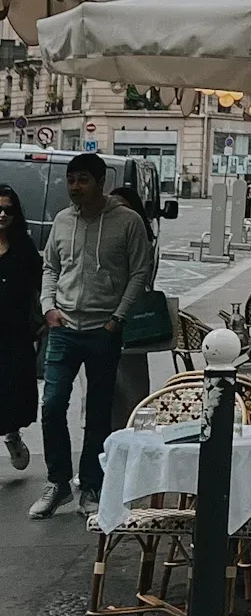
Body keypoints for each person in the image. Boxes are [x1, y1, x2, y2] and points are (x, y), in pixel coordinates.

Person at [31, 154, 153, 520]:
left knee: (99, 411)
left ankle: (91, 484)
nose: (75, 187)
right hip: (64, 328)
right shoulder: (63, 220)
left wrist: (118, 318)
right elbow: (51, 266)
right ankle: (57, 483)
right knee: (52, 406)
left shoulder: (127, 222)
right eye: (71, 180)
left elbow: (140, 271)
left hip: (104, 330)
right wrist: (48, 306)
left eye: (83, 180)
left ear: (100, 182)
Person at [108, 180, 159, 431]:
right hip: (103, 322)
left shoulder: (143, 241)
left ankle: (130, 432)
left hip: (133, 323)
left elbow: (142, 278)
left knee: (131, 388)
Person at [0, 183, 44, 470]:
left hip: (14, 331)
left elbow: (39, 284)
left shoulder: (24, 247)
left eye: (8, 210)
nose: (2, 215)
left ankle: (12, 434)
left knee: (11, 392)